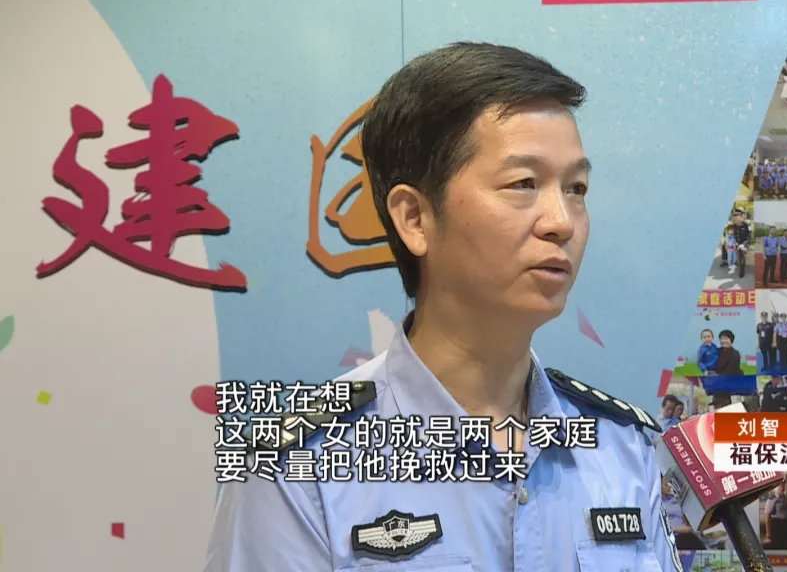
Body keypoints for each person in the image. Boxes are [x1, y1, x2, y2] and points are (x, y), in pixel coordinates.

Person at [205, 42, 681, 572]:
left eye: (576, 188)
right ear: (414, 218)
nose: (561, 222)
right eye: (523, 184)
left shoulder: (621, 447)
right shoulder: (297, 467)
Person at [764, 482, 787, 549]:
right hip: (778, 527)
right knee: (779, 546)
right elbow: (767, 516)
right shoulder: (772, 499)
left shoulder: (786, 498)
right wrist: (768, 533)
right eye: (780, 485)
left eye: (783, 485)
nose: (782, 487)